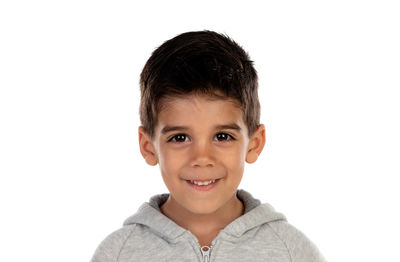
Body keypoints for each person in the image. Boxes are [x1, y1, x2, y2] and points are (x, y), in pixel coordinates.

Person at [90, 30, 326, 262]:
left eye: (222, 136)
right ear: (148, 147)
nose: (202, 157)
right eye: (180, 138)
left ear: (254, 144)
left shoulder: (292, 252)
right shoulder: (118, 253)